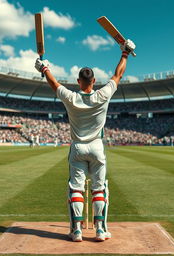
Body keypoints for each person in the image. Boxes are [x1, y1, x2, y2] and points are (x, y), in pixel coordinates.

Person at [35, 39, 136, 242]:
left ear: (79, 81)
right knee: (99, 188)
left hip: (78, 147)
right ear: (94, 81)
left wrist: (44, 68)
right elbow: (118, 74)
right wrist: (124, 53)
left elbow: (54, 84)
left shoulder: (71, 97)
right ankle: (100, 230)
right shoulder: (103, 95)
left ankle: (77, 231)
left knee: (76, 188)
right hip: (97, 147)